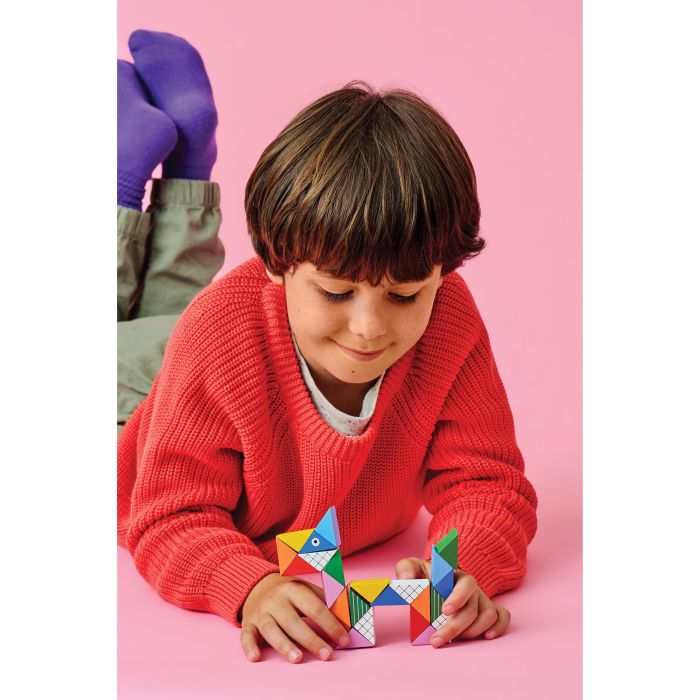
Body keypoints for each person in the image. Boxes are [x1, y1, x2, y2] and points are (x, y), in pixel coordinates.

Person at [117, 30, 538, 664]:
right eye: (337, 292)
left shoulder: (450, 316)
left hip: (205, 356)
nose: (369, 328)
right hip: (126, 410)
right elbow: (169, 516)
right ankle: (130, 186)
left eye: (405, 295)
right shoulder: (217, 335)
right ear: (276, 263)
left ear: (442, 274)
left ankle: (185, 170)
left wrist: (461, 569)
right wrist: (249, 586)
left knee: (169, 314)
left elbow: (487, 482)